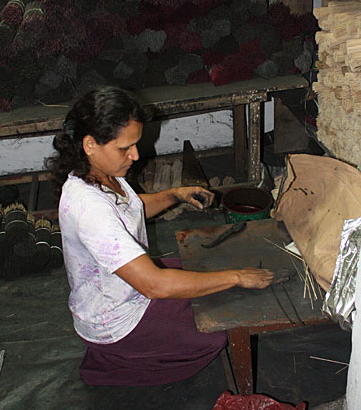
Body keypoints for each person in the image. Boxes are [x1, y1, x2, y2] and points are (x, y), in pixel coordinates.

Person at [47, 85, 275, 387]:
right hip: (117, 320)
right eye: (124, 148)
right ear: (90, 144)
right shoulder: (88, 207)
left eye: (135, 144)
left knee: (204, 274)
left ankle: (121, 353)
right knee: (218, 334)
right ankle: (113, 364)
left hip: (127, 289)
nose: (136, 154)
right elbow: (154, 285)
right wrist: (236, 276)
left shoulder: (101, 174)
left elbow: (132, 208)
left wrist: (176, 195)